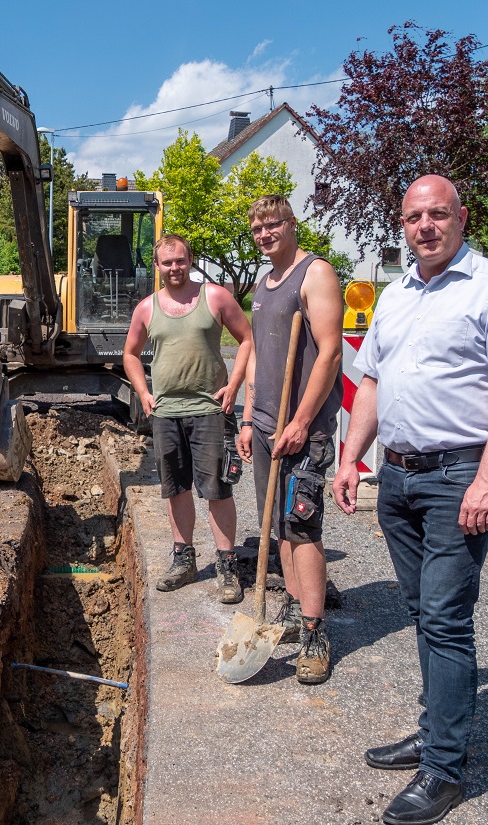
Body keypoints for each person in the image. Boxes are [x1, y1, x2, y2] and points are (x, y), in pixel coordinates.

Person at [332, 175, 488, 825]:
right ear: (403, 225)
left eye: (438, 214)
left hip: (459, 477)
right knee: (424, 611)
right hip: (396, 479)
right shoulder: (395, 296)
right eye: (414, 216)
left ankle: (445, 769)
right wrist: (351, 456)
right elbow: (370, 381)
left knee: (446, 617)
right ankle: (435, 730)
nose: (425, 225)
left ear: (461, 217)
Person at [236, 194, 343, 686]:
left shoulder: (314, 274)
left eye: (273, 225)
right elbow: (256, 353)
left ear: (291, 224)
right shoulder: (263, 284)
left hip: (304, 430)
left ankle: (316, 633)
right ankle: (295, 606)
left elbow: (330, 354)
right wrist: (246, 417)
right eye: (258, 229)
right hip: (262, 425)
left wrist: (301, 422)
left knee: (302, 529)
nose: (265, 235)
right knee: (276, 526)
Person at [124, 233, 253, 603]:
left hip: (209, 411)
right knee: (175, 487)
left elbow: (246, 338)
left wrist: (234, 386)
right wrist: (143, 393)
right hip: (166, 413)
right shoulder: (147, 308)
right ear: (157, 266)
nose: (174, 268)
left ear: (190, 260)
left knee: (216, 489)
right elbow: (131, 354)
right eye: (167, 263)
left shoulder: (214, 297)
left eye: (180, 261)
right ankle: (184, 560)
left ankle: (227, 566)